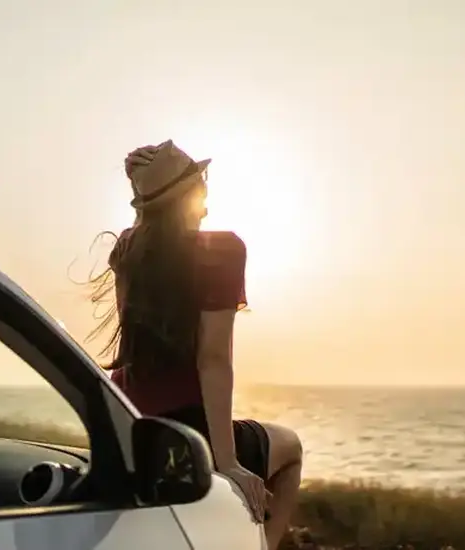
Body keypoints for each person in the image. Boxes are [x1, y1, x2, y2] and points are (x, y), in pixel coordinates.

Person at [85, 140, 303, 550]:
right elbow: (213, 360)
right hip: (188, 432)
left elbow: (148, 235)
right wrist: (227, 463)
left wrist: (143, 187)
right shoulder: (222, 251)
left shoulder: (127, 250)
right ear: (192, 192)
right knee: (290, 448)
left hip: (130, 423)